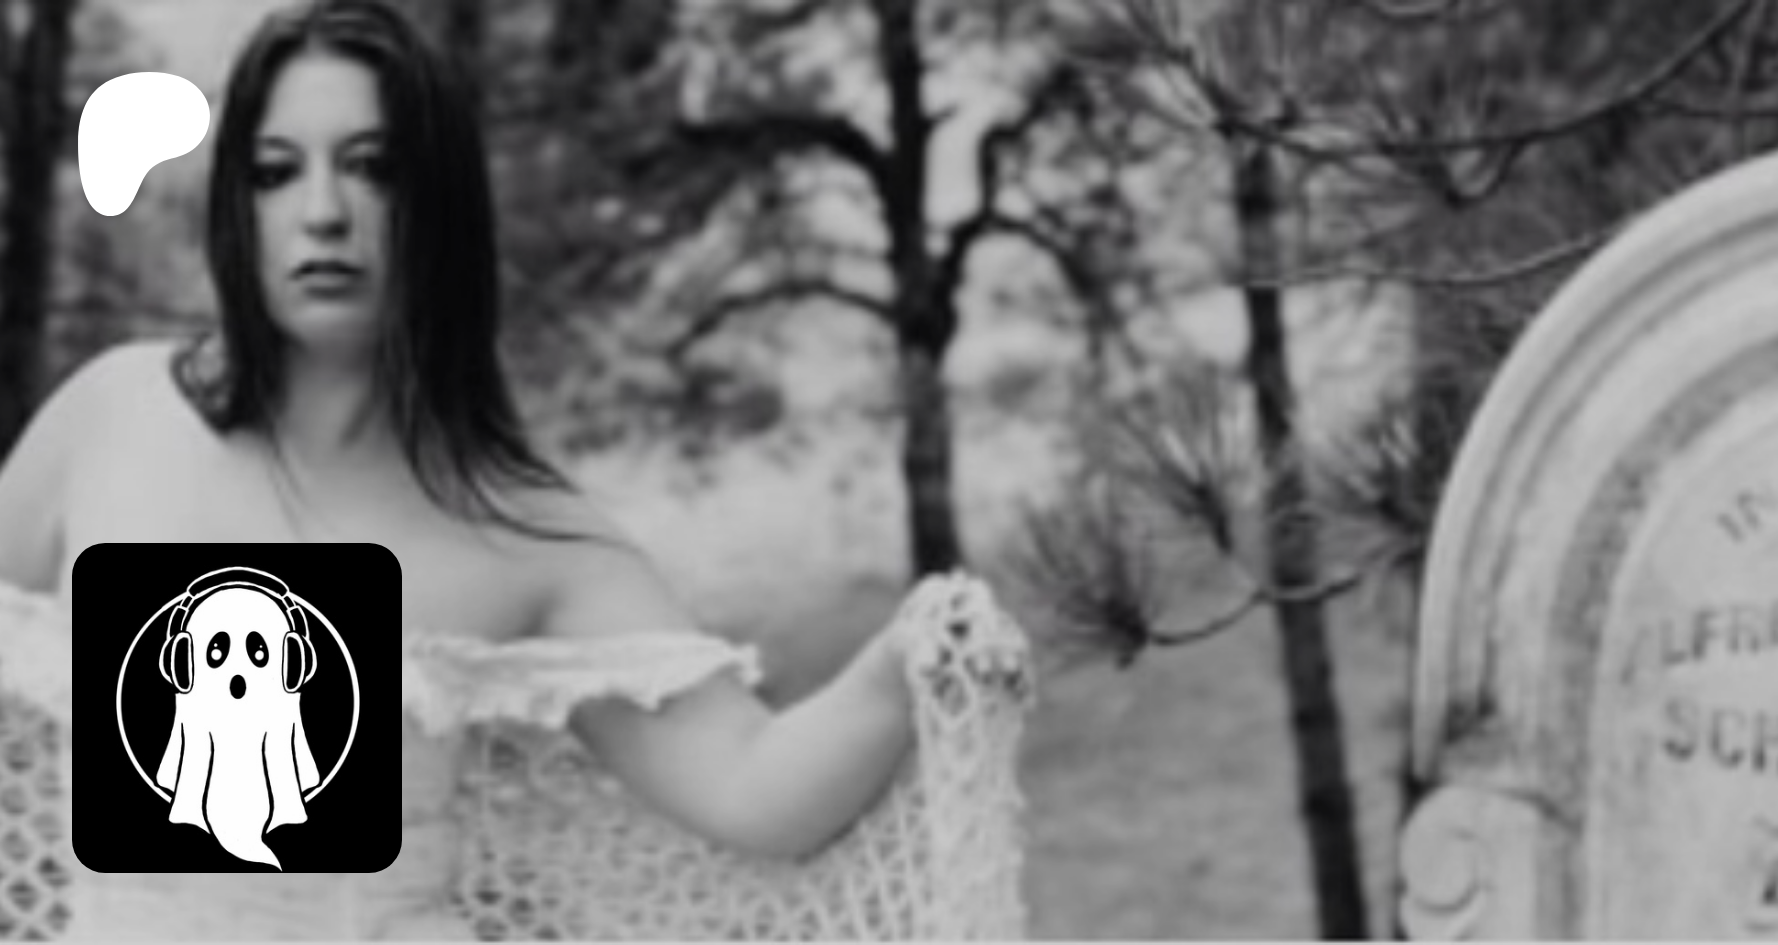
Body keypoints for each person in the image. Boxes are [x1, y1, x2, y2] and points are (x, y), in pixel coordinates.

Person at [0, 0, 1026, 939]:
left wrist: (904, 664)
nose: (324, 212)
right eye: (276, 171)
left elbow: (752, 787)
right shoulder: (114, 417)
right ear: (238, 205)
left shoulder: (519, 530)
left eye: (373, 166)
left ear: (438, 203)